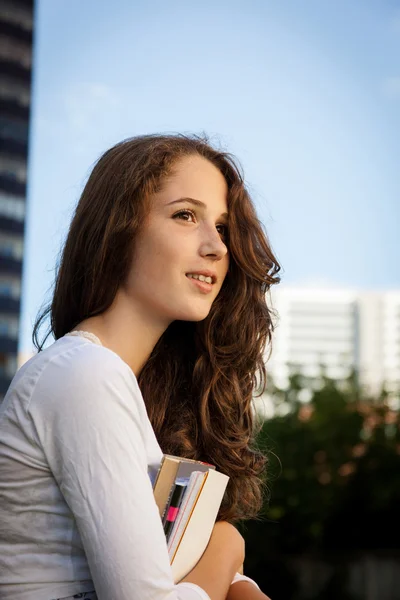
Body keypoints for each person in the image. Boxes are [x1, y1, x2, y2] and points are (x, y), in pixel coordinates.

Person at [0, 133, 280, 600]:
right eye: (186, 215)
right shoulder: (85, 375)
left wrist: (233, 576)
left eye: (224, 227)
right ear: (119, 228)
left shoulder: (128, 391)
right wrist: (225, 548)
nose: (216, 246)